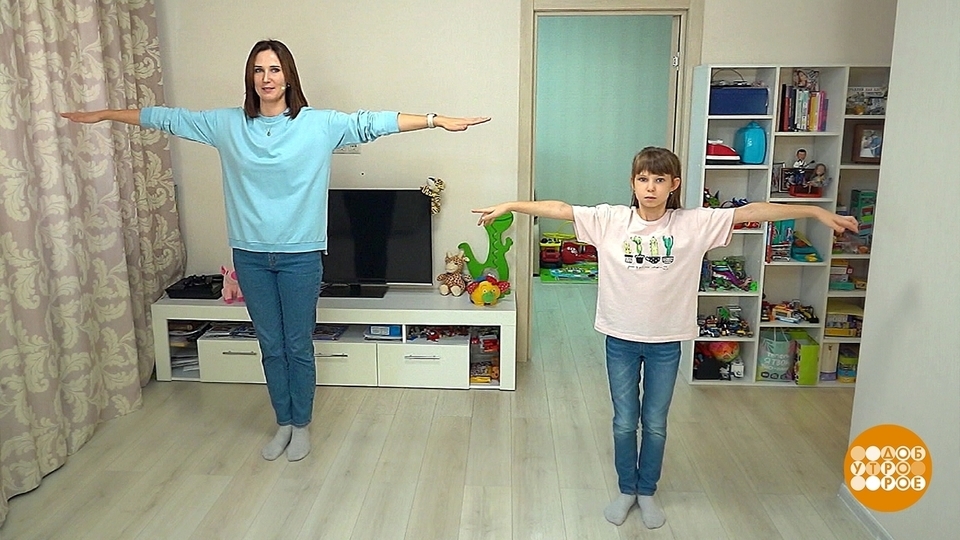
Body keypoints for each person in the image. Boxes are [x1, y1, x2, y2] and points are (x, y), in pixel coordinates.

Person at [62, 39, 489, 462]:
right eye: (258, 70)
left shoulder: (318, 124)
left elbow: (373, 122)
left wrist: (435, 120)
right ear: (250, 78)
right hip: (249, 256)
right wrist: (106, 114)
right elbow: (167, 118)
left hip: (301, 257)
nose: (266, 78)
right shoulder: (227, 124)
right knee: (270, 345)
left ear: (288, 77)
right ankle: (283, 421)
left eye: (274, 69)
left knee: (297, 345)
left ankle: (301, 424)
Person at [472, 147, 858, 529]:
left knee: (655, 422)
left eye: (659, 180)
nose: (650, 188)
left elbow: (752, 212)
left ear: (673, 185)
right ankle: (627, 489)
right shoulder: (610, 220)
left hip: (666, 343)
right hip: (620, 339)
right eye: (643, 179)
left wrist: (814, 212)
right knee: (625, 422)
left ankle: (647, 491)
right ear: (633, 183)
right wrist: (510, 205)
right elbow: (560, 209)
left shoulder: (693, 223)